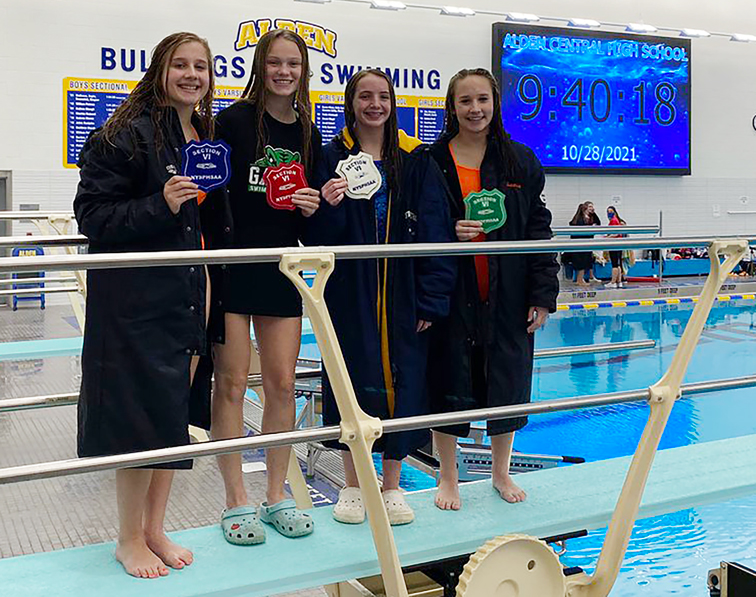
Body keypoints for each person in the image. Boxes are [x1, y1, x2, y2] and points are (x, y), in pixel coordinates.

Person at [74, 32, 231, 578]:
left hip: (189, 291)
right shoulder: (123, 134)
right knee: (140, 418)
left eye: (201, 67)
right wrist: (159, 204)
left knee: (172, 414)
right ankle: (127, 538)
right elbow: (93, 217)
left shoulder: (203, 136)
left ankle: (154, 528)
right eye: (180, 65)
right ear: (159, 70)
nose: (192, 75)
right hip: (138, 301)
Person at [306, 69, 456, 525]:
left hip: (403, 290)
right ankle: (354, 484)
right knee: (348, 380)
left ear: (393, 103)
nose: (375, 105)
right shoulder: (331, 156)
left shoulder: (415, 159)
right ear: (350, 103)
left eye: (383, 96)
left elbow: (436, 230)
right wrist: (328, 205)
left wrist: (432, 299)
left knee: (404, 382)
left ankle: (392, 486)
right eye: (365, 96)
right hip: (349, 291)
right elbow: (316, 238)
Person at [427, 68, 559, 511]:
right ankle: (448, 476)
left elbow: (539, 230)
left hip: (509, 293)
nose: (475, 109)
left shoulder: (518, 160)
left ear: (495, 104)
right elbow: (421, 225)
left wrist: (543, 295)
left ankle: (501, 472)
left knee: (507, 381)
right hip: (453, 291)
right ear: (452, 107)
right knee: (447, 381)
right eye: (465, 101)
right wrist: (450, 230)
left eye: (482, 99)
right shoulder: (434, 161)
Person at [210, 29, 320, 544]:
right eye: (274, 62)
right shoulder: (232, 122)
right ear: (260, 66)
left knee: (281, 384)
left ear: (303, 70)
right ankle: (236, 499)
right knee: (231, 384)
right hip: (234, 266)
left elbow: (310, 212)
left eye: (292, 64)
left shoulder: (307, 132)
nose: (283, 72)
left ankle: (276, 494)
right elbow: (210, 194)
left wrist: (313, 207)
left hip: (280, 268)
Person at [568, 202, 600, 287]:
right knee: (581, 263)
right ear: (585, 208)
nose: (592, 208)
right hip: (581, 243)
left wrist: (594, 213)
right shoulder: (580, 219)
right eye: (590, 207)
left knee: (584, 262)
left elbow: (598, 222)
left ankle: (580, 279)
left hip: (584, 243)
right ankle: (580, 280)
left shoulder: (586, 218)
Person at [605, 205, 627, 288]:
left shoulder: (613, 221)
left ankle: (613, 282)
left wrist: (606, 238)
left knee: (614, 264)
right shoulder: (617, 220)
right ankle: (619, 281)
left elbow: (616, 233)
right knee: (618, 264)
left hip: (614, 244)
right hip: (619, 244)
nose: (609, 213)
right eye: (608, 212)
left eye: (611, 212)